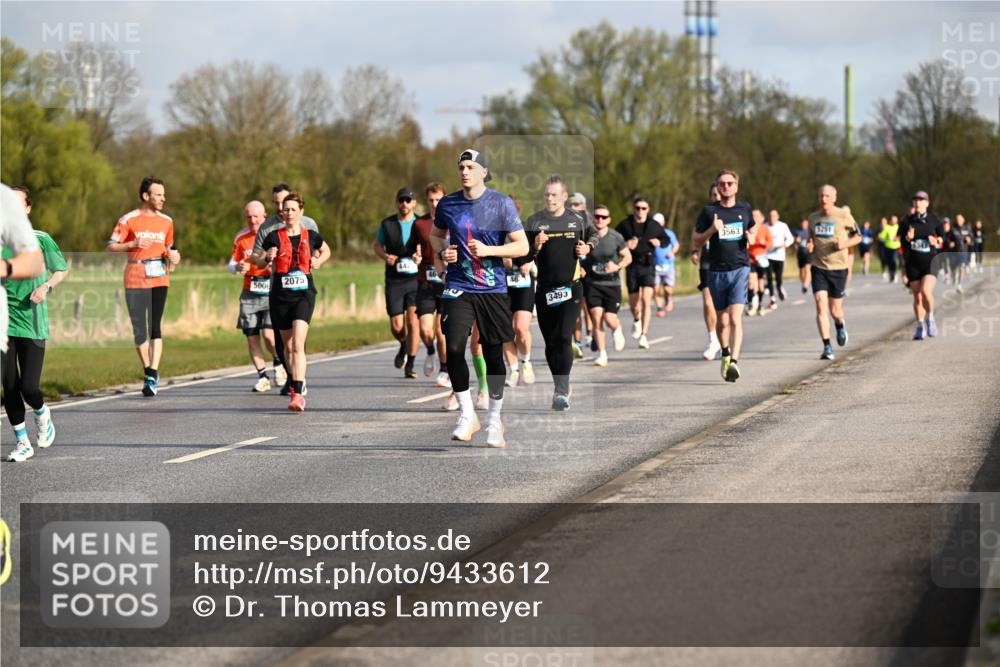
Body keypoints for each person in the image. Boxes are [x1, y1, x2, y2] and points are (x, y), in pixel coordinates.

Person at [431, 148, 528, 447]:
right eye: (461, 166)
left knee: (493, 355)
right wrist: (441, 252)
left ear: (484, 171)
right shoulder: (448, 204)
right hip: (458, 285)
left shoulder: (501, 204)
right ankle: (466, 414)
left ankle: (495, 419)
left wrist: (490, 251)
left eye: (471, 166)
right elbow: (436, 236)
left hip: (492, 288)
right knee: (455, 346)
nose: (464, 171)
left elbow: (522, 246)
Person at [3, 186, 67, 462]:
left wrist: (46, 287)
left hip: (32, 320)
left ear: (28, 209)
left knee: (29, 387)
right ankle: (22, 442)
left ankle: (42, 413)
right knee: (8, 385)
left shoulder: (40, 239)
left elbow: (61, 269)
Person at [521, 175, 596, 410]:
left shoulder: (577, 219)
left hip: (571, 288)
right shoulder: (534, 222)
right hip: (544, 290)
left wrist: (588, 247)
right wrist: (535, 246)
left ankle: (561, 390)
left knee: (564, 336)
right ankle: (559, 384)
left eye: (554, 195)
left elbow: (594, 235)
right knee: (551, 341)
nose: (550, 199)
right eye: (547, 195)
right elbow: (521, 254)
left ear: (564, 197)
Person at [253, 193, 331, 410]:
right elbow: (257, 260)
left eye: (293, 209)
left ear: (301, 212)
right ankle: (296, 379)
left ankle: (297, 393)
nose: (288, 213)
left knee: (297, 343)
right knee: (287, 346)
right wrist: (267, 257)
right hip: (280, 295)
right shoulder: (273, 236)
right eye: (286, 209)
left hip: (304, 294)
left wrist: (318, 260)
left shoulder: (311, 235)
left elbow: (326, 250)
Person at [106, 176, 182, 397]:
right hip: (135, 276)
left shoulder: (167, 221)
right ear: (145, 196)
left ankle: (152, 372)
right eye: (158, 195)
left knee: (155, 326)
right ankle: (149, 371)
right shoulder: (129, 219)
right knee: (139, 329)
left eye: (163, 195)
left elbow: (170, 250)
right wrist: (132, 244)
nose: (163, 198)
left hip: (159, 277)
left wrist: (174, 258)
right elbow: (110, 246)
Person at [691, 170, 756, 382]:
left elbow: (752, 229)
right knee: (722, 319)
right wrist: (712, 229)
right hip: (716, 271)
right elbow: (696, 241)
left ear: (736, 187)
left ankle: (734, 363)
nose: (726, 187)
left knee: (736, 318)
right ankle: (725, 353)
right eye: (722, 184)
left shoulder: (745, 209)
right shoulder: (709, 212)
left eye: (730, 183)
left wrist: (750, 236)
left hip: (740, 268)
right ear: (718, 187)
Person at [807, 184, 860, 360]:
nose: (824, 199)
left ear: (834, 198)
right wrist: (810, 244)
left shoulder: (843, 215)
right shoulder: (813, 217)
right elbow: (811, 237)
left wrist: (843, 245)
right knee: (820, 303)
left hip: (839, 268)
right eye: (821, 196)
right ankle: (827, 346)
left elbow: (858, 236)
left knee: (835, 310)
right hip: (819, 266)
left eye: (827, 196)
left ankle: (839, 324)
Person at [229, 201, 278, 392]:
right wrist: (237, 267)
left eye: (256, 216)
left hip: (270, 290)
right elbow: (231, 264)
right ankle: (262, 376)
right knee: (251, 336)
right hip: (250, 291)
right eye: (249, 216)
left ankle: (278, 361)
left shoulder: (273, 234)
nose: (252, 220)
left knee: (269, 336)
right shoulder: (241, 237)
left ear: (265, 216)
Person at [374, 187, 421, 378]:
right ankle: (403, 344)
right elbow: (377, 245)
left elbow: (430, 245)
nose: (405, 204)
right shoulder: (387, 224)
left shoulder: (421, 223)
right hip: (394, 279)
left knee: (412, 321)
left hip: (416, 279)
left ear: (414, 203)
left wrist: (421, 256)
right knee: (396, 326)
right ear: (397, 202)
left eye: (408, 200)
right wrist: (385, 256)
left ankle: (411, 363)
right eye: (401, 200)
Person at [583, 204, 631, 367]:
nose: (600, 220)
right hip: (593, 283)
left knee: (610, 318)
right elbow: (580, 256)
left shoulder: (615, 237)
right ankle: (602, 354)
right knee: (596, 317)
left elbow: (627, 257)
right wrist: (581, 268)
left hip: (612, 284)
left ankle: (617, 328)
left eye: (603, 217)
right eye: (597, 216)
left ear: (609, 220)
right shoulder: (587, 236)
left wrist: (617, 266)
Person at [414, 183, 449, 384]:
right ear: (427, 201)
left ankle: (444, 370)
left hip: (446, 282)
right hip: (426, 283)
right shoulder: (420, 224)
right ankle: (430, 350)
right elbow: (412, 247)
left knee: (441, 331)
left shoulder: (452, 221)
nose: (435, 204)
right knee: (426, 331)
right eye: (431, 200)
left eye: (439, 200)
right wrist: (414, 255)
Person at [899, 190, 945, 340]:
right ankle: (920, 326)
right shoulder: (907, 221)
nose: (917, 203)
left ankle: (930, 318)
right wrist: (907, 237)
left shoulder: (934, 220)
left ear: (927, 203)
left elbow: (943, 237)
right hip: (913, 264)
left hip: (930, 262)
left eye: (921, 200)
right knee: (917, 297)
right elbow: (902, 245)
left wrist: (936, 241)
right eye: (916, 200)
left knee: (926, 291)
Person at [617, 196, 662, 349]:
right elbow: (615, 240)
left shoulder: (654, 225)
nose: (640, 211)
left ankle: (644, 335)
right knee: (634, 303)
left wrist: (659, 242)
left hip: (648, 265)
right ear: (633, 209)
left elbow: (666, 239)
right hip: (632, 265)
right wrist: (625, 244)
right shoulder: (625, 225)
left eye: (644, 208)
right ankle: (637, 320)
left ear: (648, 210)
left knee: (646, 300)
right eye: (638, 208)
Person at [502, 193, 536, 388]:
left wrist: (530, 262)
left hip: (523, 284)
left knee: (520, 328)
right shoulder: (494, 231)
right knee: (505, 331)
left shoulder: (527, 229)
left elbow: (535, 253)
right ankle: (513, 370)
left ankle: (526, 362)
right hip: (502, 285)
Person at [691, 183, 721, 360]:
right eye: (714, 194)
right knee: (708, 302)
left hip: (727, 264)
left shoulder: (732, 211)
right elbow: (695, 233)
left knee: (725, 307)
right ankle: (712, 340)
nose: (717, 197)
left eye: (719, 194)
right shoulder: (706, 213)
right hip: (708, 262)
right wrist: (694, 250)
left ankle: (725, 339)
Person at [763, 209, 794, 310]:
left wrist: (785, 244)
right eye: (770, 216)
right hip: (768, 256)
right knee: (769, 278)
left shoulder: (783, 226)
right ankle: (772, 299)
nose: (772, 218)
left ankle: (780, 287)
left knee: (778, 278)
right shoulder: (765, 226)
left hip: (779, 256)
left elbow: (790, 238)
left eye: (774, 216)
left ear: (777, 217)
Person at [651, 212, 678, 317]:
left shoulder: (669, 233)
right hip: (654, 265)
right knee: (655, 289)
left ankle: (668, 299)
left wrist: (672, 253)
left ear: (663, 223)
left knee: (667, 289)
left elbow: (676, 245)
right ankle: (659, 308)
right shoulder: (651, 234)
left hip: (668, 265)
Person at [747, 209, 772, 317]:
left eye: (757, 216)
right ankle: (751, 304)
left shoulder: (764, 229)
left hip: (761, 259)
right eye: (753, 216)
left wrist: (764, 243)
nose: (755, 218)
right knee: (751, 283)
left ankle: (760, 305)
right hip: (750, 259)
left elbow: (771, 243)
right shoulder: (748, 228)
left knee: (761, 285)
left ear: (762, 218)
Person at [879, 215, 901, 283]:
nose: (894, 221)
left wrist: (897, 238)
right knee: (889, 262)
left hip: (896, 247)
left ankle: (894, 274)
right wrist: (883, 237)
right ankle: (891, 275)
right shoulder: (887, 227)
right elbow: (881, 237)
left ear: (897, 221)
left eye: (895, 220)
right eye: (892, 220)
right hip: (887, 247)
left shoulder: (899, 227)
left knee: (893, 260)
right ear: (890, 220)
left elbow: (901, 236)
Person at [794, 218, 812, 293]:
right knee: (801, 271)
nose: (804, 225)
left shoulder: (810, 231)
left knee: (808, 269)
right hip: (800, 253)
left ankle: (806, 285)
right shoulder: (796, 231)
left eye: (805, 223)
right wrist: (796, 240)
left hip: (808, 253)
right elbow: (793, 242)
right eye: (803, 223)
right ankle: (804, 282)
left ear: (807, 224)